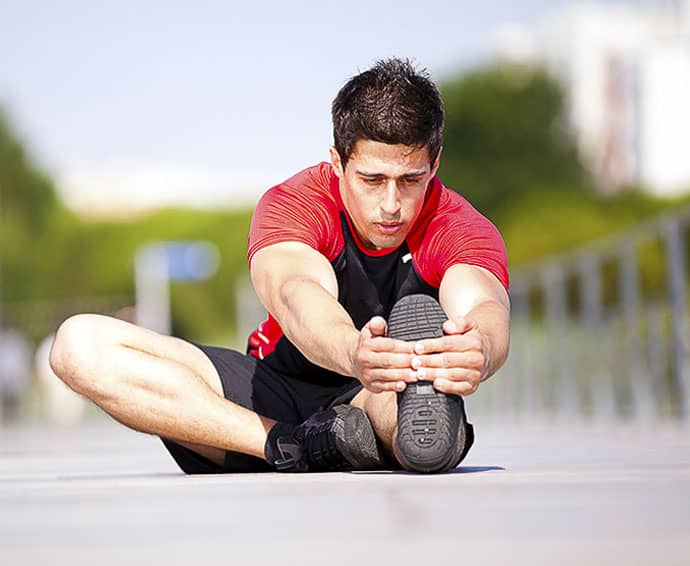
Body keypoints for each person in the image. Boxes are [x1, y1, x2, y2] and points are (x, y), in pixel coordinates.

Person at [49, 58, 510, 474]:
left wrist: (481, 348)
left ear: (435, 165)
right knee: (78, 344)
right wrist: (352, 349)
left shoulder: (456, 223)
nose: (391, 204)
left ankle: (401, 439)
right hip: (266, 394)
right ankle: (290, 444)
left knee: (403, 401)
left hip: (374, 394)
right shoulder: (294, 204)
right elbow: (297, 293)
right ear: (337, 162)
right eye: (372, 180)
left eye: (411, 180)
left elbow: (484, 301)